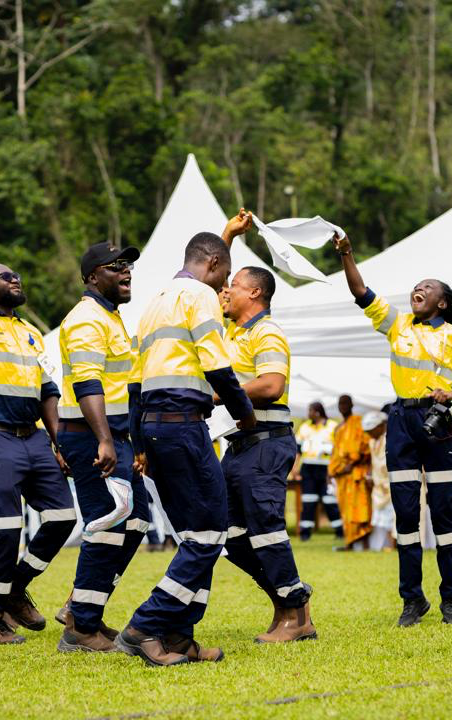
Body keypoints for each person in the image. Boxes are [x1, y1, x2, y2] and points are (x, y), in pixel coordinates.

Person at [333, 233, 452, 627]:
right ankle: (412, 600)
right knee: (405, 515)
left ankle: (451, 599)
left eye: (428, 287)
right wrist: (348, 253)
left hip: (438, 425)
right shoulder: (398, 323)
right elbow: (361, 292)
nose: (418, 289)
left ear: (442, 303)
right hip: (402, 423)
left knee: (442, 514)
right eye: (417, 285)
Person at [115, 230, 255, 667]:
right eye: (225, 275)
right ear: (213, 264)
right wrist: (244, 412)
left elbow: (134, 384)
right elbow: (217, 364)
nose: (225, 286)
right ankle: (144, 625)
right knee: (210, 533)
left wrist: (140, 444)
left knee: (194, 536)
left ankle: (178, 636)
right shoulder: (200, 295)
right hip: (184, 427)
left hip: (154, 429)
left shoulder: (154, 302)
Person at [0, 209, 77, 645]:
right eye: (6, 277)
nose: (17, 280)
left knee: (63, 517)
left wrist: (60, 443)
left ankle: (13, 589)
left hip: (35, 439)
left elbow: (48, 392)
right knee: (7, 528)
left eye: (18, 276)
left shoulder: (31, 333)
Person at [218, 212, 315, 643]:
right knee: (232, 537)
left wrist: (219, 395)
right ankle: (288, 601)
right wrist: (227, 236)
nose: (227, 291)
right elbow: (208, 286)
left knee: (266, 530)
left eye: (235, 285)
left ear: (255, 293)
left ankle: (298, 617)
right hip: (239, 447)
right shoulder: (231, 330)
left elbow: (272, 385)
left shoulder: (267, 332)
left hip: (265, 443)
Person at [55, 240, 152, 653]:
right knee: (109, 523)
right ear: (93, 277)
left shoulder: (111, 318)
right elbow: (87, 383)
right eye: (115, 266)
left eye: (128, 264)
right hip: (93, 437)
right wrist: (105, 440)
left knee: (137, 520)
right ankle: (81, 627)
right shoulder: (86, 319)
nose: (126, 271)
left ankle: (82, 606)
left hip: (113, 438)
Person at [293, 402, 342, 541]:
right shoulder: (305, 427)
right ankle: (305, 534)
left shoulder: (332, 426)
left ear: (317, 412)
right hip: (308, 468)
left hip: (326, 469)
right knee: (308, 501)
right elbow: (297, 450)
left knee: (329, 500)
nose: (308, 414)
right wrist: (295, 468)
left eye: (310, 411)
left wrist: (335, 469)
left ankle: (340, 532)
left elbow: (339, 449)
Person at [329, 395, 372, 550]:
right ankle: (349, 543)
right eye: (340, 404)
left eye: (345, 403)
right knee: (345, 511)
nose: (343, 406)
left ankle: (365, 544)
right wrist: (333, 471)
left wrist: (352, 463)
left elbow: (366, 446)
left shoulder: (358, 422)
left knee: (360, 509)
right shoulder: (338, 427)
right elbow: (335, 452)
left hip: (356, 473)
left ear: (352, 405)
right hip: (341, 476)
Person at [363, 411, 396, 551]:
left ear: (380, 426)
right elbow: (373, 461)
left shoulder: (390, 439)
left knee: (394, 516)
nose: (369, 434)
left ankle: (394, 545)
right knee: (384, 518)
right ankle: (388, 545)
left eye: (371, 431)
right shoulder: (372, 442)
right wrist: (369, 476)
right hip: (379, 486)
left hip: (391, 484)